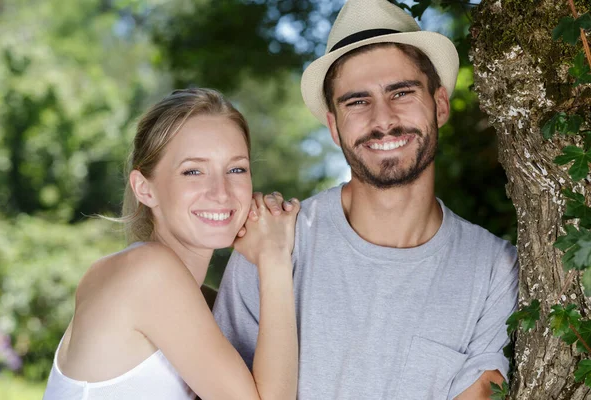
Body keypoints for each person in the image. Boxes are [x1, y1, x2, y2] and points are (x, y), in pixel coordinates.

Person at [213, 1, 519, 399]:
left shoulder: (494, 269)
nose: (383, 119)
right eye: (356, 101)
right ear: (334, 128)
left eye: (402, 92)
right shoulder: (272, 242)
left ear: (440, 105)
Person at [42, 88, 300, 400]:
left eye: (236, 169)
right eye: (193, 170)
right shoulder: (147, 273)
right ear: (144, 188)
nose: (221, 192)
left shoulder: (196, 297)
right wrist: (274, 257)